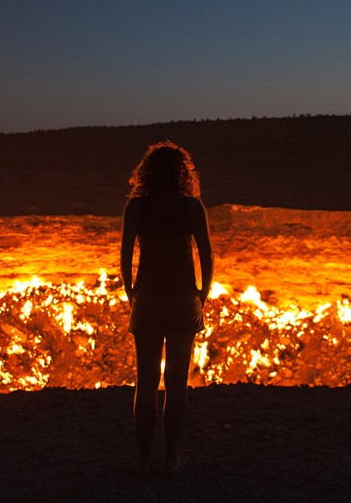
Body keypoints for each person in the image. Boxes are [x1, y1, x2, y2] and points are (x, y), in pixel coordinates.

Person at [119, 141, 213, 476]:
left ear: (146, 173)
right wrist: (201, 294)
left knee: (145, 382)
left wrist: (133, 293)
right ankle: (171, 458)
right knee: (176, 381)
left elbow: (125, 257)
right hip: (182, 298)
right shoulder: (192, 206)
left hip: (148, 298)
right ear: (181, 173)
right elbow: (206, 255)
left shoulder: (137, 207)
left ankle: (144, 461)